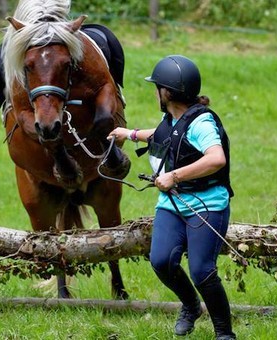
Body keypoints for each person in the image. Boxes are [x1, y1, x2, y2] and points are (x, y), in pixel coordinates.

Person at [109, 55, 236, 339]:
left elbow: (217, 159)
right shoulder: (175, 117)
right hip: (172, 205)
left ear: (167, 92)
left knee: (202, 271)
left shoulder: (202, 123)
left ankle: (224, 334)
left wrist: (173, 176)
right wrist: (129, 134)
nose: (155, 93)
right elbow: (167, 135)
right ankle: (191, 306)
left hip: (206, 204)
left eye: (157, 88)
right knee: (161, 261)